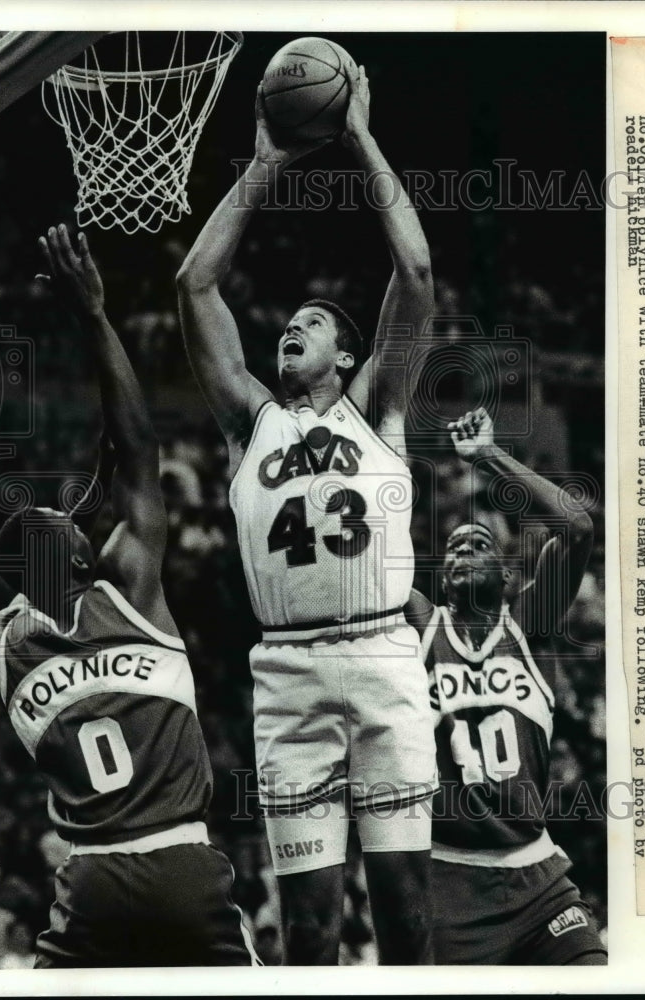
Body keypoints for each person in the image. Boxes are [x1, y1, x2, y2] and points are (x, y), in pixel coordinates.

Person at [177, 64, 437, 964]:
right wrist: (262, 165)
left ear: (348, 352)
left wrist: (359, 135)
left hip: (380, 657)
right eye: (286, 323)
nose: (293, 326)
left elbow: (414, 267)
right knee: (312, 933)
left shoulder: (377, 408)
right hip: (286, 672)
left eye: (314, 322)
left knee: (405, 920)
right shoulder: (253, 423)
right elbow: (195, 287)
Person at [0, 224, 259, 968]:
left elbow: (45, 553)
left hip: (88, 884)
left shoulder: (6, 640)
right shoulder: (131, 588)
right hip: (179, 866)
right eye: (73, 522)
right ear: (79, 552)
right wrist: (93, 314)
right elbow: (140, 450)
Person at [406, 407, 607, 965]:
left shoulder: (528, 622)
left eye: (480, 544)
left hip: (540, 878)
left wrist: (490, 458)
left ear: (510, 577)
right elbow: (372, 557)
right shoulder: (422, 623)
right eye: (454, 548)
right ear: (442, 581)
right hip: (451, 880)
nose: (463, 549)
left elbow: (579, 526)